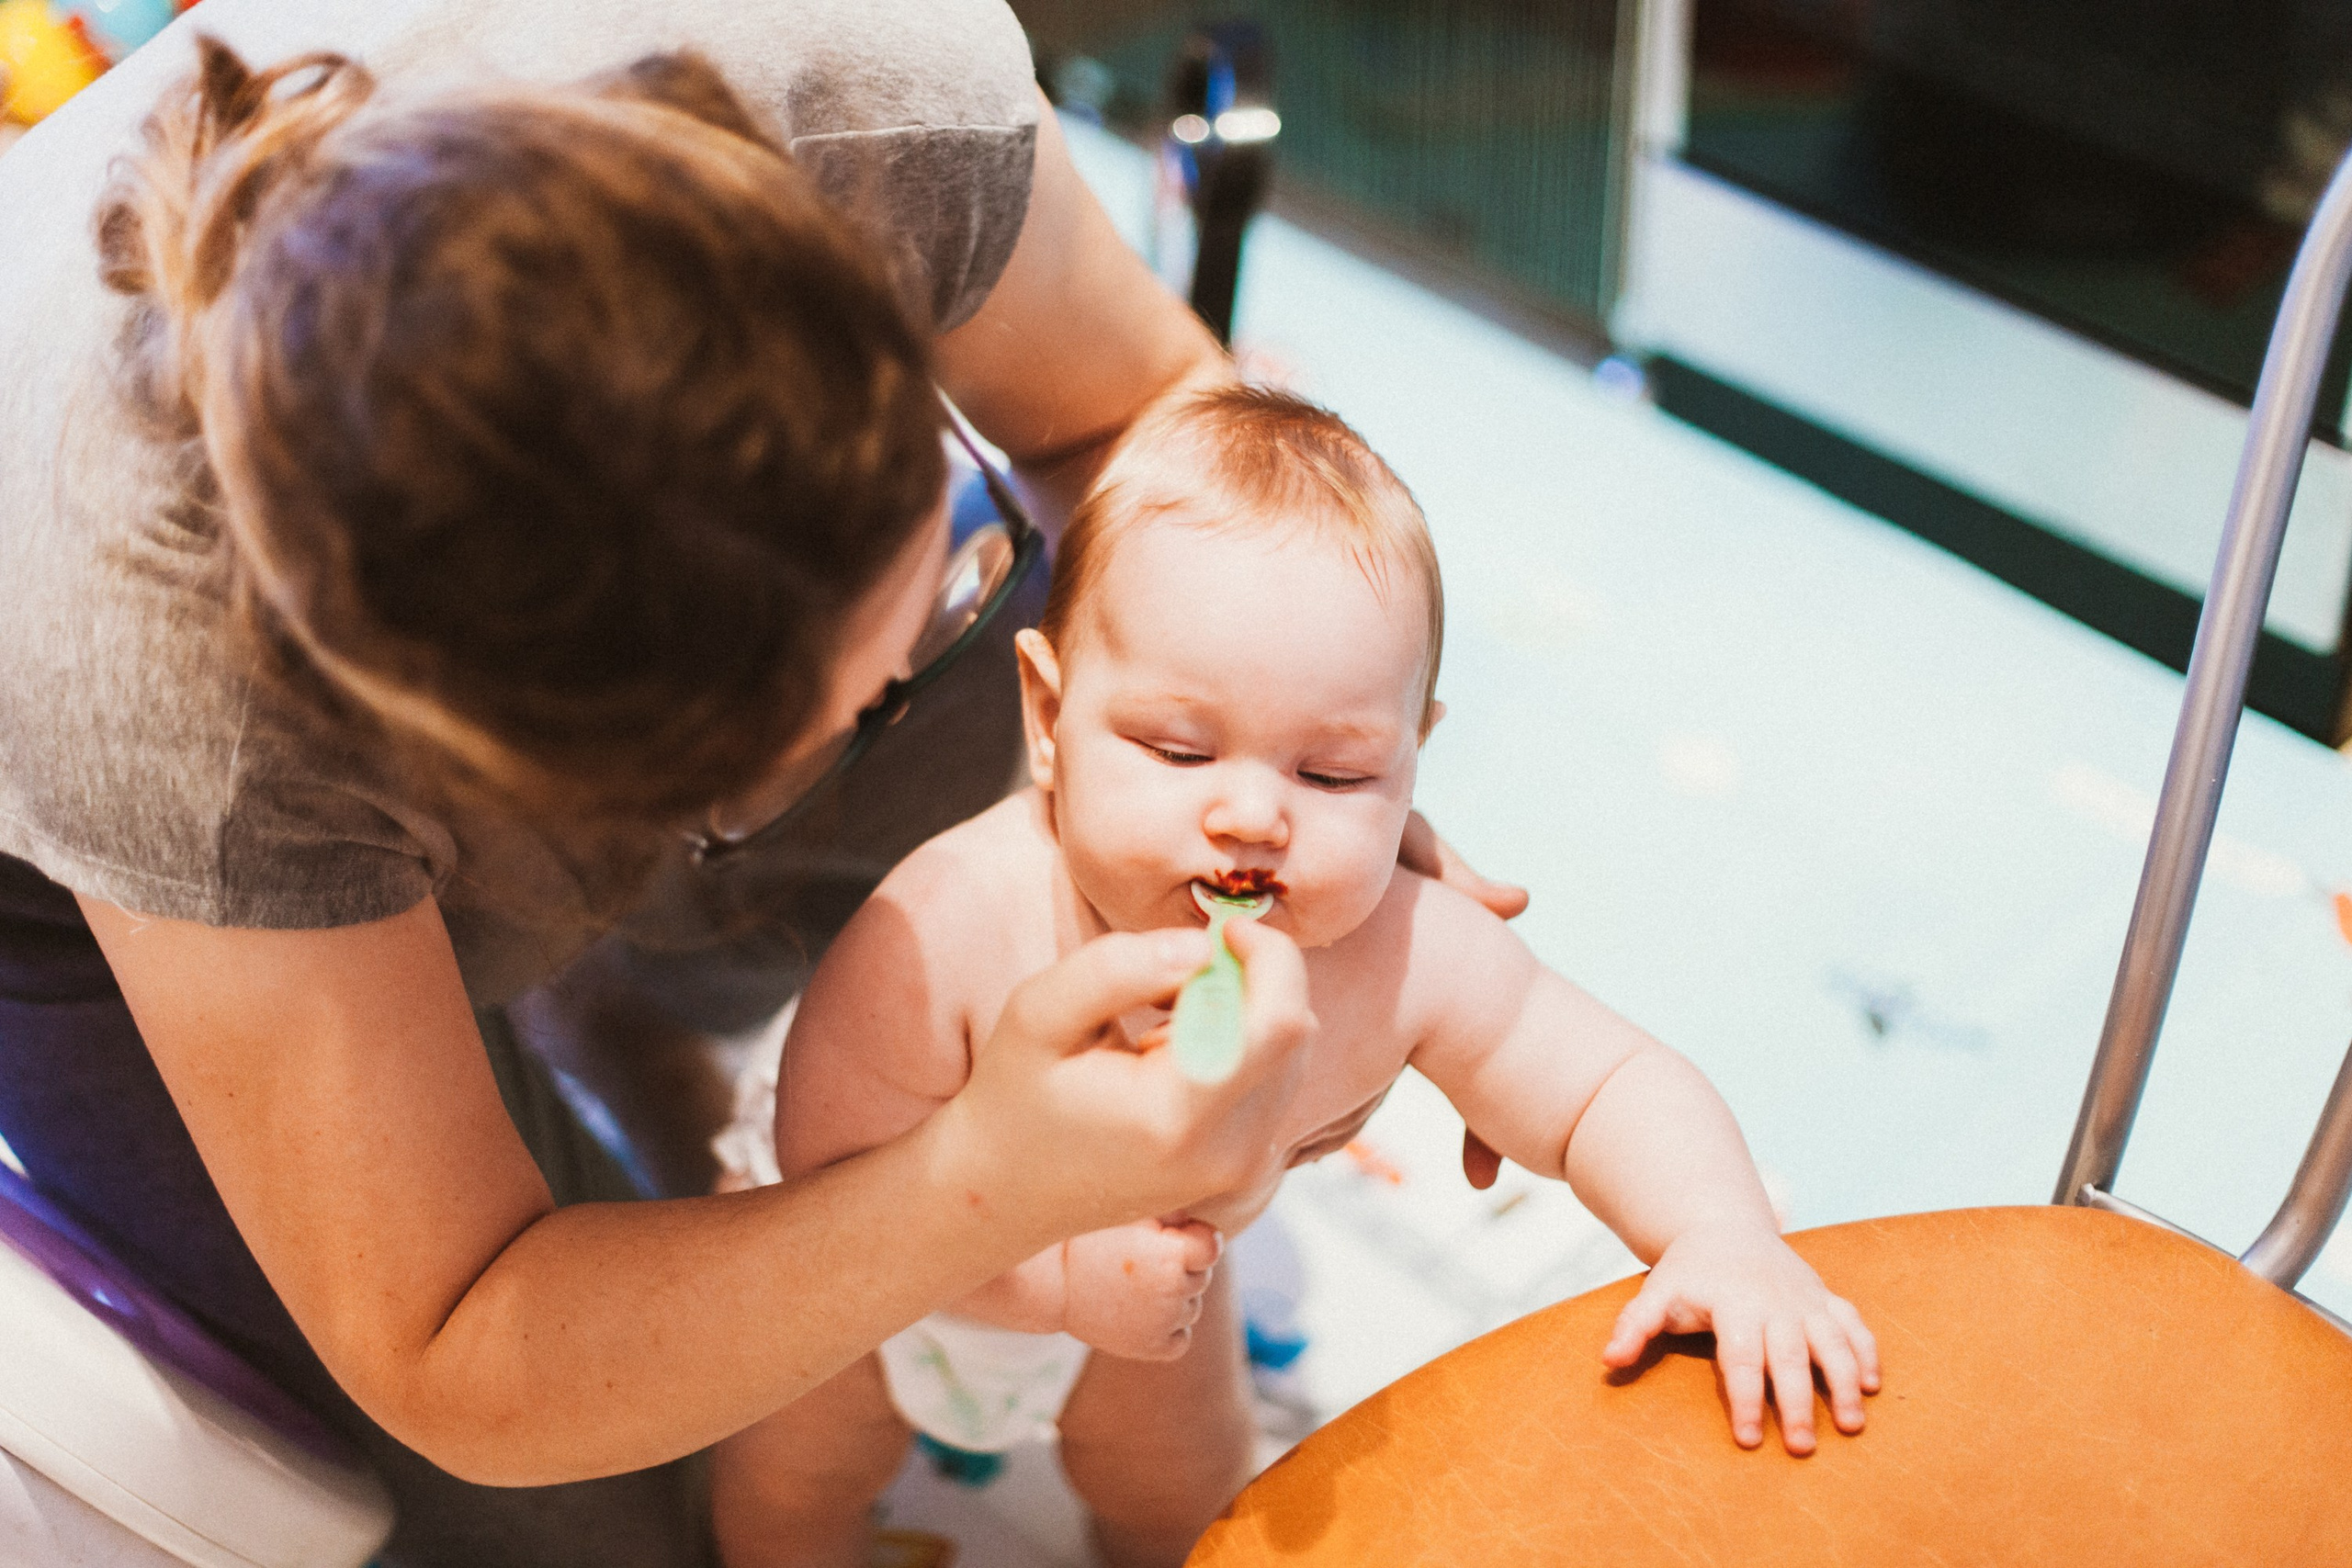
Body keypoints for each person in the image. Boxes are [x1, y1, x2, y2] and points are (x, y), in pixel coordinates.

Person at [0, 6, 1525, 1563]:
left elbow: (1131, 424)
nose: (895, 730)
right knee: (586, 1520)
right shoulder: (153, 701)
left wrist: (1287, 756)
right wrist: (976, 1183)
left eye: (936, 593)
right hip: (79, 867)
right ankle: (578, 1032)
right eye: (835, 726)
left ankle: (637, 1019)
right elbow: (459, 1343)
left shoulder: (867, 90)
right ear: (543, 807)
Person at [708, 389, 1883, 1568]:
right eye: (1178, 751)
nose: (1254, 815)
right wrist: (1056, 1286)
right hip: (873, 1273)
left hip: (1148, 1290)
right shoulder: (950, 921)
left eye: (1332, 774)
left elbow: (1606, 1083)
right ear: (1051, 715)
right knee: (787, 1487)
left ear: (1412, 758)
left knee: (1189, 1491)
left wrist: (1720, 1234)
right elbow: (835, 1186)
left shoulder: (1399, 955)